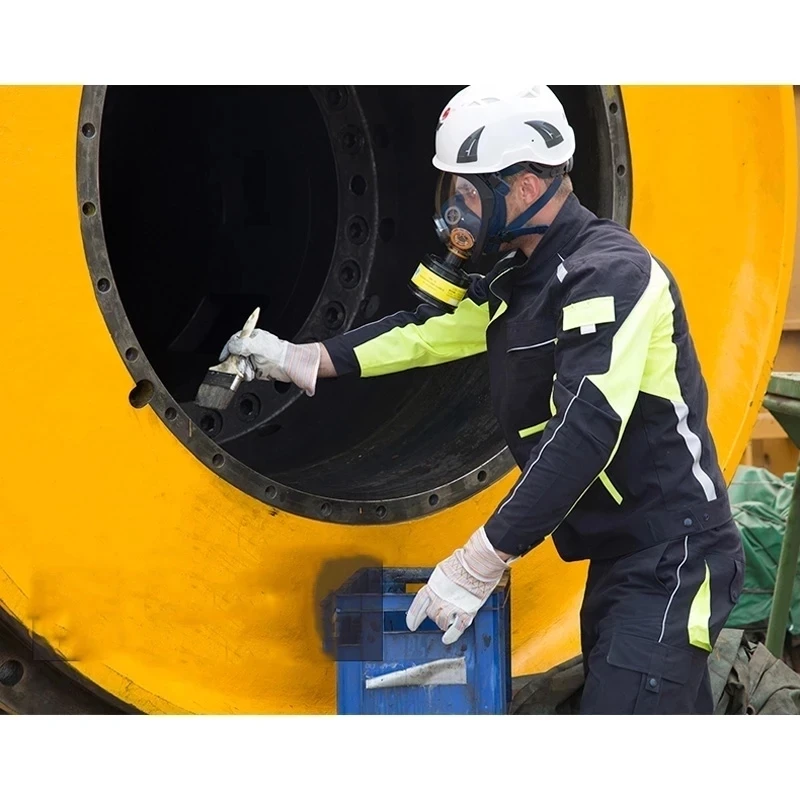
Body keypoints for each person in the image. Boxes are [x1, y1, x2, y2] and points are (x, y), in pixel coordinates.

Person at [219, 85, 745, 714]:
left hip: (673, 555)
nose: (455, 211)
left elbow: (585, 431)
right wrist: (304, 359)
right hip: (623, 556)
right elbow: (429, 333)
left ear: (525, 186)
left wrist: (481, 560)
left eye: (468, 191)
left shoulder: (611, 274)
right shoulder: (524, 277)